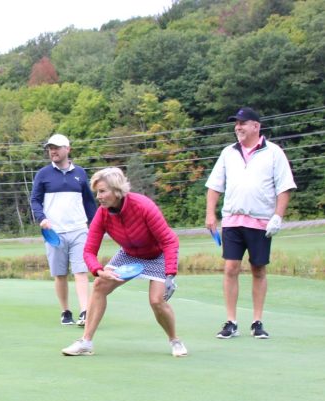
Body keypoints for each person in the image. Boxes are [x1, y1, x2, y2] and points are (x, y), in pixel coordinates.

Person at [61, 167, 188, 357]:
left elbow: (170, 240)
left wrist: (170, 274)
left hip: (157, 255)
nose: (99, 196)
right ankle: (85, 342)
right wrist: (98, 270)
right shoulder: (102, 213)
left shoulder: (143, 206)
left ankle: (175, 341)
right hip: (128, 254)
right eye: (97, 192)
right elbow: (88, 250)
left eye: (102, 191)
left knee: (156, 301)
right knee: (99, 285)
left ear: (117, 190)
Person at [205, 107, 296, 339]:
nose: (238, 127)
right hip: (233, 220)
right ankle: (231, 321)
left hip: (261, 222)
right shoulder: (228, 153)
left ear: (256, 126)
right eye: (236, 123)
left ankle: (257, 321)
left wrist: (278, 216)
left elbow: (284, 187)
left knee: (258, 269)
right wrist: (210, 214)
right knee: (230, 268)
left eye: (242, 123)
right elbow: (215, 186)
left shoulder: (274, 152)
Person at [30, 134, 97, 326]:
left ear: (68, 149)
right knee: (60, 274)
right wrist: (41, 219)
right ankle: (66, 311)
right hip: (54, 232)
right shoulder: (43, 174)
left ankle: (85, 311)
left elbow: (88, 202)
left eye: (57, 147)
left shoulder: (80, 173)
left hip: (79, 229)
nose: (53, 151)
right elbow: (34, 200)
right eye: (50, 148)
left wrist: (96, 225)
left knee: (81, 271)